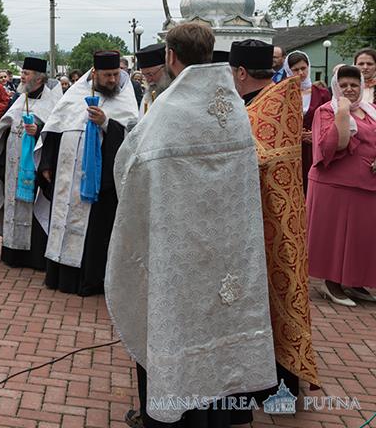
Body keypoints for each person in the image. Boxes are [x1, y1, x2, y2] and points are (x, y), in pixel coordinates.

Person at [106, 22, 277, 428]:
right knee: (220, 324)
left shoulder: (168, 112)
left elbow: (130, 169)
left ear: (170, 55)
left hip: (179, 251)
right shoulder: (233, 108)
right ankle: (220, 417)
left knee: (175, 328)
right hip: (228, 250)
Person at [229, 39, 320, 407]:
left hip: (271, 221)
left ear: (240, 72)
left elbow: (254, 159)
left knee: (273, 299)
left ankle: (278, 391)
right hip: (271, 216)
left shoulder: (267, 105)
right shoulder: (274, 98)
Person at [35, 51, 138, 296]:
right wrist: (47, 164)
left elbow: (131, 140)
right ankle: (59, 276)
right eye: (107, 75)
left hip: (99, 182)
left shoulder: (124, 99)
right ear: (94, 73)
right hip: (66, 178)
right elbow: (55, 128)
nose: (112, 80)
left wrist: (106, 123)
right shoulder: (74, 95)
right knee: (62, 221)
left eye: (116, 74)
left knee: (93, 231)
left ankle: (88, 280)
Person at [307, 64, 376, 306]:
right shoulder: (327, 111)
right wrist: (343, 111)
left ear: (361, 86)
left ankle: (355, 283)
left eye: (354, 85)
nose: (349, 89)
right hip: (334, 186)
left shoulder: (370, 111)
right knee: (334, 238)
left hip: (367, 186)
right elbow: (333, 145)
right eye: (343, 85)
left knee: (361, 237)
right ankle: (331, 283)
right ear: (335, 86)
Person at [0, 57, 60, 269]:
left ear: (39, 79)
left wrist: (38, 131)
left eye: (26, 74)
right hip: (13, 164)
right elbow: (4, 127)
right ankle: (13, 252)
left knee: (33, 206)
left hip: (35, 167)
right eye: (23, 73)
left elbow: (55, 134)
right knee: (13, 203)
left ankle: (34, 256)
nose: (22, 77)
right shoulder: (20, 99)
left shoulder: (52, 104)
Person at [283, 51, 331, 191]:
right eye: (295, 69)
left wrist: (315, 134)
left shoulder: (322, 93)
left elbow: (329, 119)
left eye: (303, 68)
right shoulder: (282, 93)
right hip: (290, 146)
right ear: (288, 70)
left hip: (314, 146)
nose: (301, 73)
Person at [134, 44, 171, 115]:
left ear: (165, 69)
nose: (148, 80)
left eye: (150, 74)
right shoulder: (146, 99)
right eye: (144, 75)